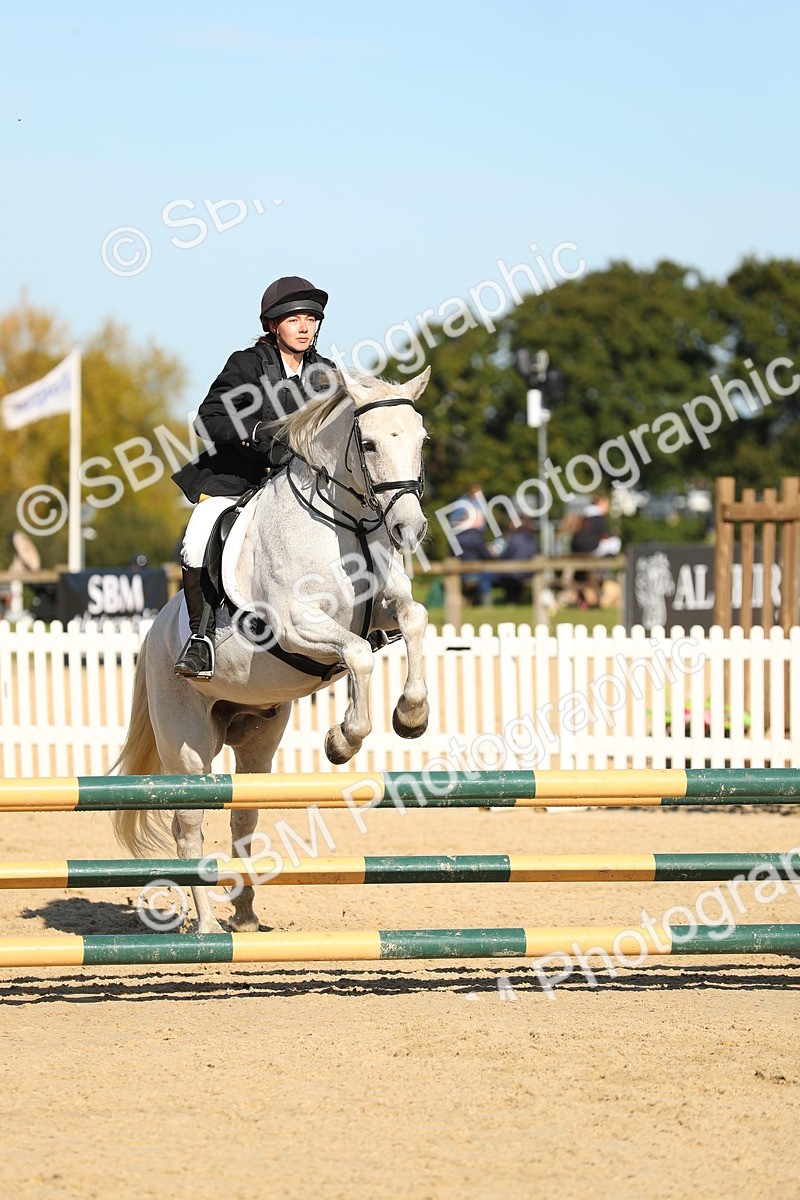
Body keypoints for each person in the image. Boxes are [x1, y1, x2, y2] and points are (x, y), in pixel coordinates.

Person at [171, 275, 337, 679]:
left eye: (311, 319)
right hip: (237, 479)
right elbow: (207, 419)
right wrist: (252, 431)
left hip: (299, 483)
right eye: (294, 319)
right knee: (196, 541)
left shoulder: (325, 373)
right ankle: (201, 638)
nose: (304, 327)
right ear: (273, 325)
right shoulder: (247, 365)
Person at [451, 484, 493, 604]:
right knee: (485, 572)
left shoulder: (458, 537)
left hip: (466, 547)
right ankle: (486, 604)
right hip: (471, 564)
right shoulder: (463, 505)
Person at [494, 516, 539, 604]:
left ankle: (510, 601)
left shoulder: (514, 538)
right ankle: (516, 600)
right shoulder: (533, 539)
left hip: (513, 572)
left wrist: (498, 558)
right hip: (529, 572)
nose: (509, 525)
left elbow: (506, 556)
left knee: (490, 576)